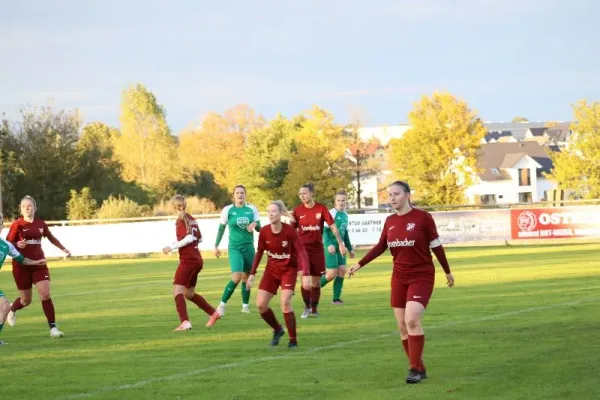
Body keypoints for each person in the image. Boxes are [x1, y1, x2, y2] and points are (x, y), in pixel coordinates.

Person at [348, 181, 455, 384]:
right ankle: (419, 367)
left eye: (396, 194)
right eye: (390, 195)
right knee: (402, 326)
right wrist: (360, 264)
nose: (392, 198)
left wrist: (447, 272)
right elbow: (380, 246)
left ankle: (414, 369)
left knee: (412, 319)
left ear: (407, 194)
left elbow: (437, 246)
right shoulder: (389, 221)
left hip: (422, 275)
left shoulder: (423, 218)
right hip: (399, 277)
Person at [246, 200, 311, 348]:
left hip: (288, 270)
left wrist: (305, 274)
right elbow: (260, 252)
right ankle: (278, 329)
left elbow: (301, 251)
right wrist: (252, 274)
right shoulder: (264, 231)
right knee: (261, 305)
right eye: (268, 211)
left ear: (281, 213)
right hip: (271, 270)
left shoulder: (289, 231)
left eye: (273, 211)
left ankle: (293, 340)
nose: (270, 214)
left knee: (285, 302)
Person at [5, 195, 71, 338]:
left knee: (45, 293)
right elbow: (8, 244)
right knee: (26, 300)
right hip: (21, 265)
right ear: (20, 210)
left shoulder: (41, 224)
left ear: (35, 207)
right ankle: (12, 309)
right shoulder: (17, 225)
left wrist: (63, 249)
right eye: (24, 206)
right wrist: (17, 244)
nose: (27, 208)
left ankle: (53, 328)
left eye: (29, 205)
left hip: (39, 264)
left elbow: (51, 238)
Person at [162, 195, 221, 331]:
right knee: (189, 293)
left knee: (177, 290)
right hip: (197, 259)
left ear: (173, 207)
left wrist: (172, 246)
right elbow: (198, 238)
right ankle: (214, 313)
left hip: (188, 260)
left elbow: (189, 237)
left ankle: (185, 322)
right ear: (185, 205)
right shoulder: (192, 219)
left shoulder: (181, 220)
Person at [293, 183, 347, 318]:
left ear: (312, 194)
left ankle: (314, 308)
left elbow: (333, 227)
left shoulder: (321, 208)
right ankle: (306, 307)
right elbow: (291, 230)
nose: (302, 196)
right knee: (305, 281)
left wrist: (341, 243)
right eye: (300, 194)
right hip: (302, 250)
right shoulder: (298, 211)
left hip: (317, 250)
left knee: (316, 282)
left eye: (305, 193)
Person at [0, 213, 47, 345]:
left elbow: (22, 260)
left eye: (0, 223)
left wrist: (37, 263)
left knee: (4, 306)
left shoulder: (6, 245)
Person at [214, 185, 261, 316]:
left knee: (247, 277)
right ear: (233, 196)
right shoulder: (228, 210)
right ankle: (222, 305)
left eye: (242, 193)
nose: (240, 195)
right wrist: (216, 246)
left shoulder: (252, 209)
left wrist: (255, 224)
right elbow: (221, 228)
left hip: (249, 247)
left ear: (245, 195)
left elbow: (260, 228)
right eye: (237, 193)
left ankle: (245, 306)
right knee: (236, 277)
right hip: (234, 247)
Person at [320, 190, 354, 304]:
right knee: (331, 274)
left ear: (346, 201)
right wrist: (328, 244)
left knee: (342, 271)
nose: (341, 202)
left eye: (343, 200)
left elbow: (345, 233)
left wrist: (350, 248)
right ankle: (312, 289)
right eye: (338, 200)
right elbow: (324, 231)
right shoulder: (331, 213)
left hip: (341, 247)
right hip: (331, 246)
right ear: (335, 201)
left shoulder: (345, 215)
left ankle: (336, 299)